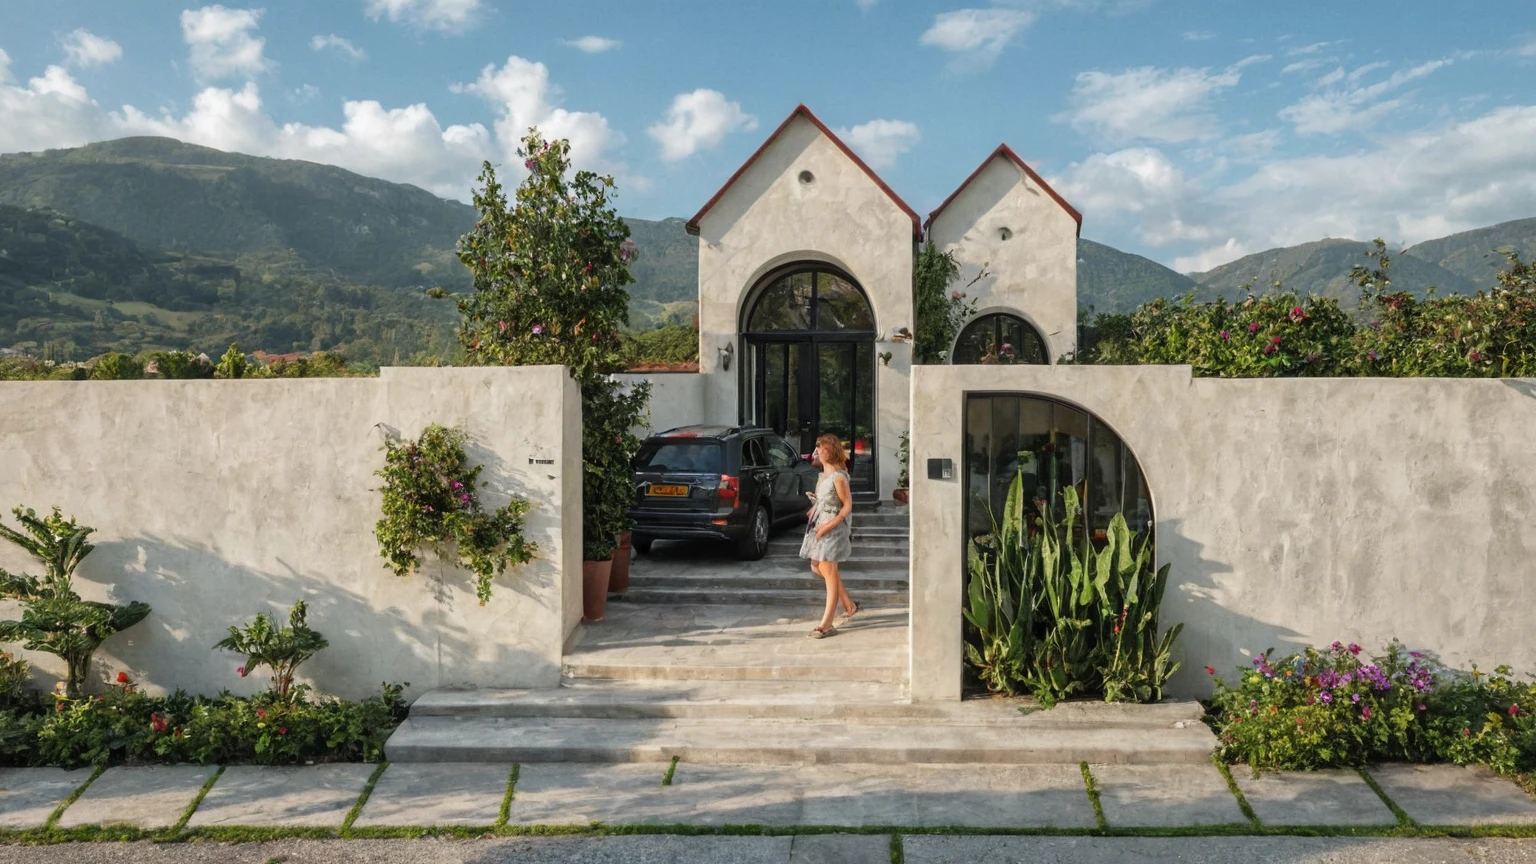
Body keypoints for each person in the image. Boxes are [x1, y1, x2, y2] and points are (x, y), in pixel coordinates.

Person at [799, 433, 857, 638]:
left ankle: (827, 624)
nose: (816, 451)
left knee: (827, 569)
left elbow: (847, 506)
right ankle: (849, 604)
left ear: (829, 451)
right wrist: (815, 505)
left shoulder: (839, 477)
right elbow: (828, 501)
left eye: (819, 448)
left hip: (833, 530)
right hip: (820, 525)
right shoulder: (823, 476)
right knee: (817, 566)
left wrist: (826, 527)